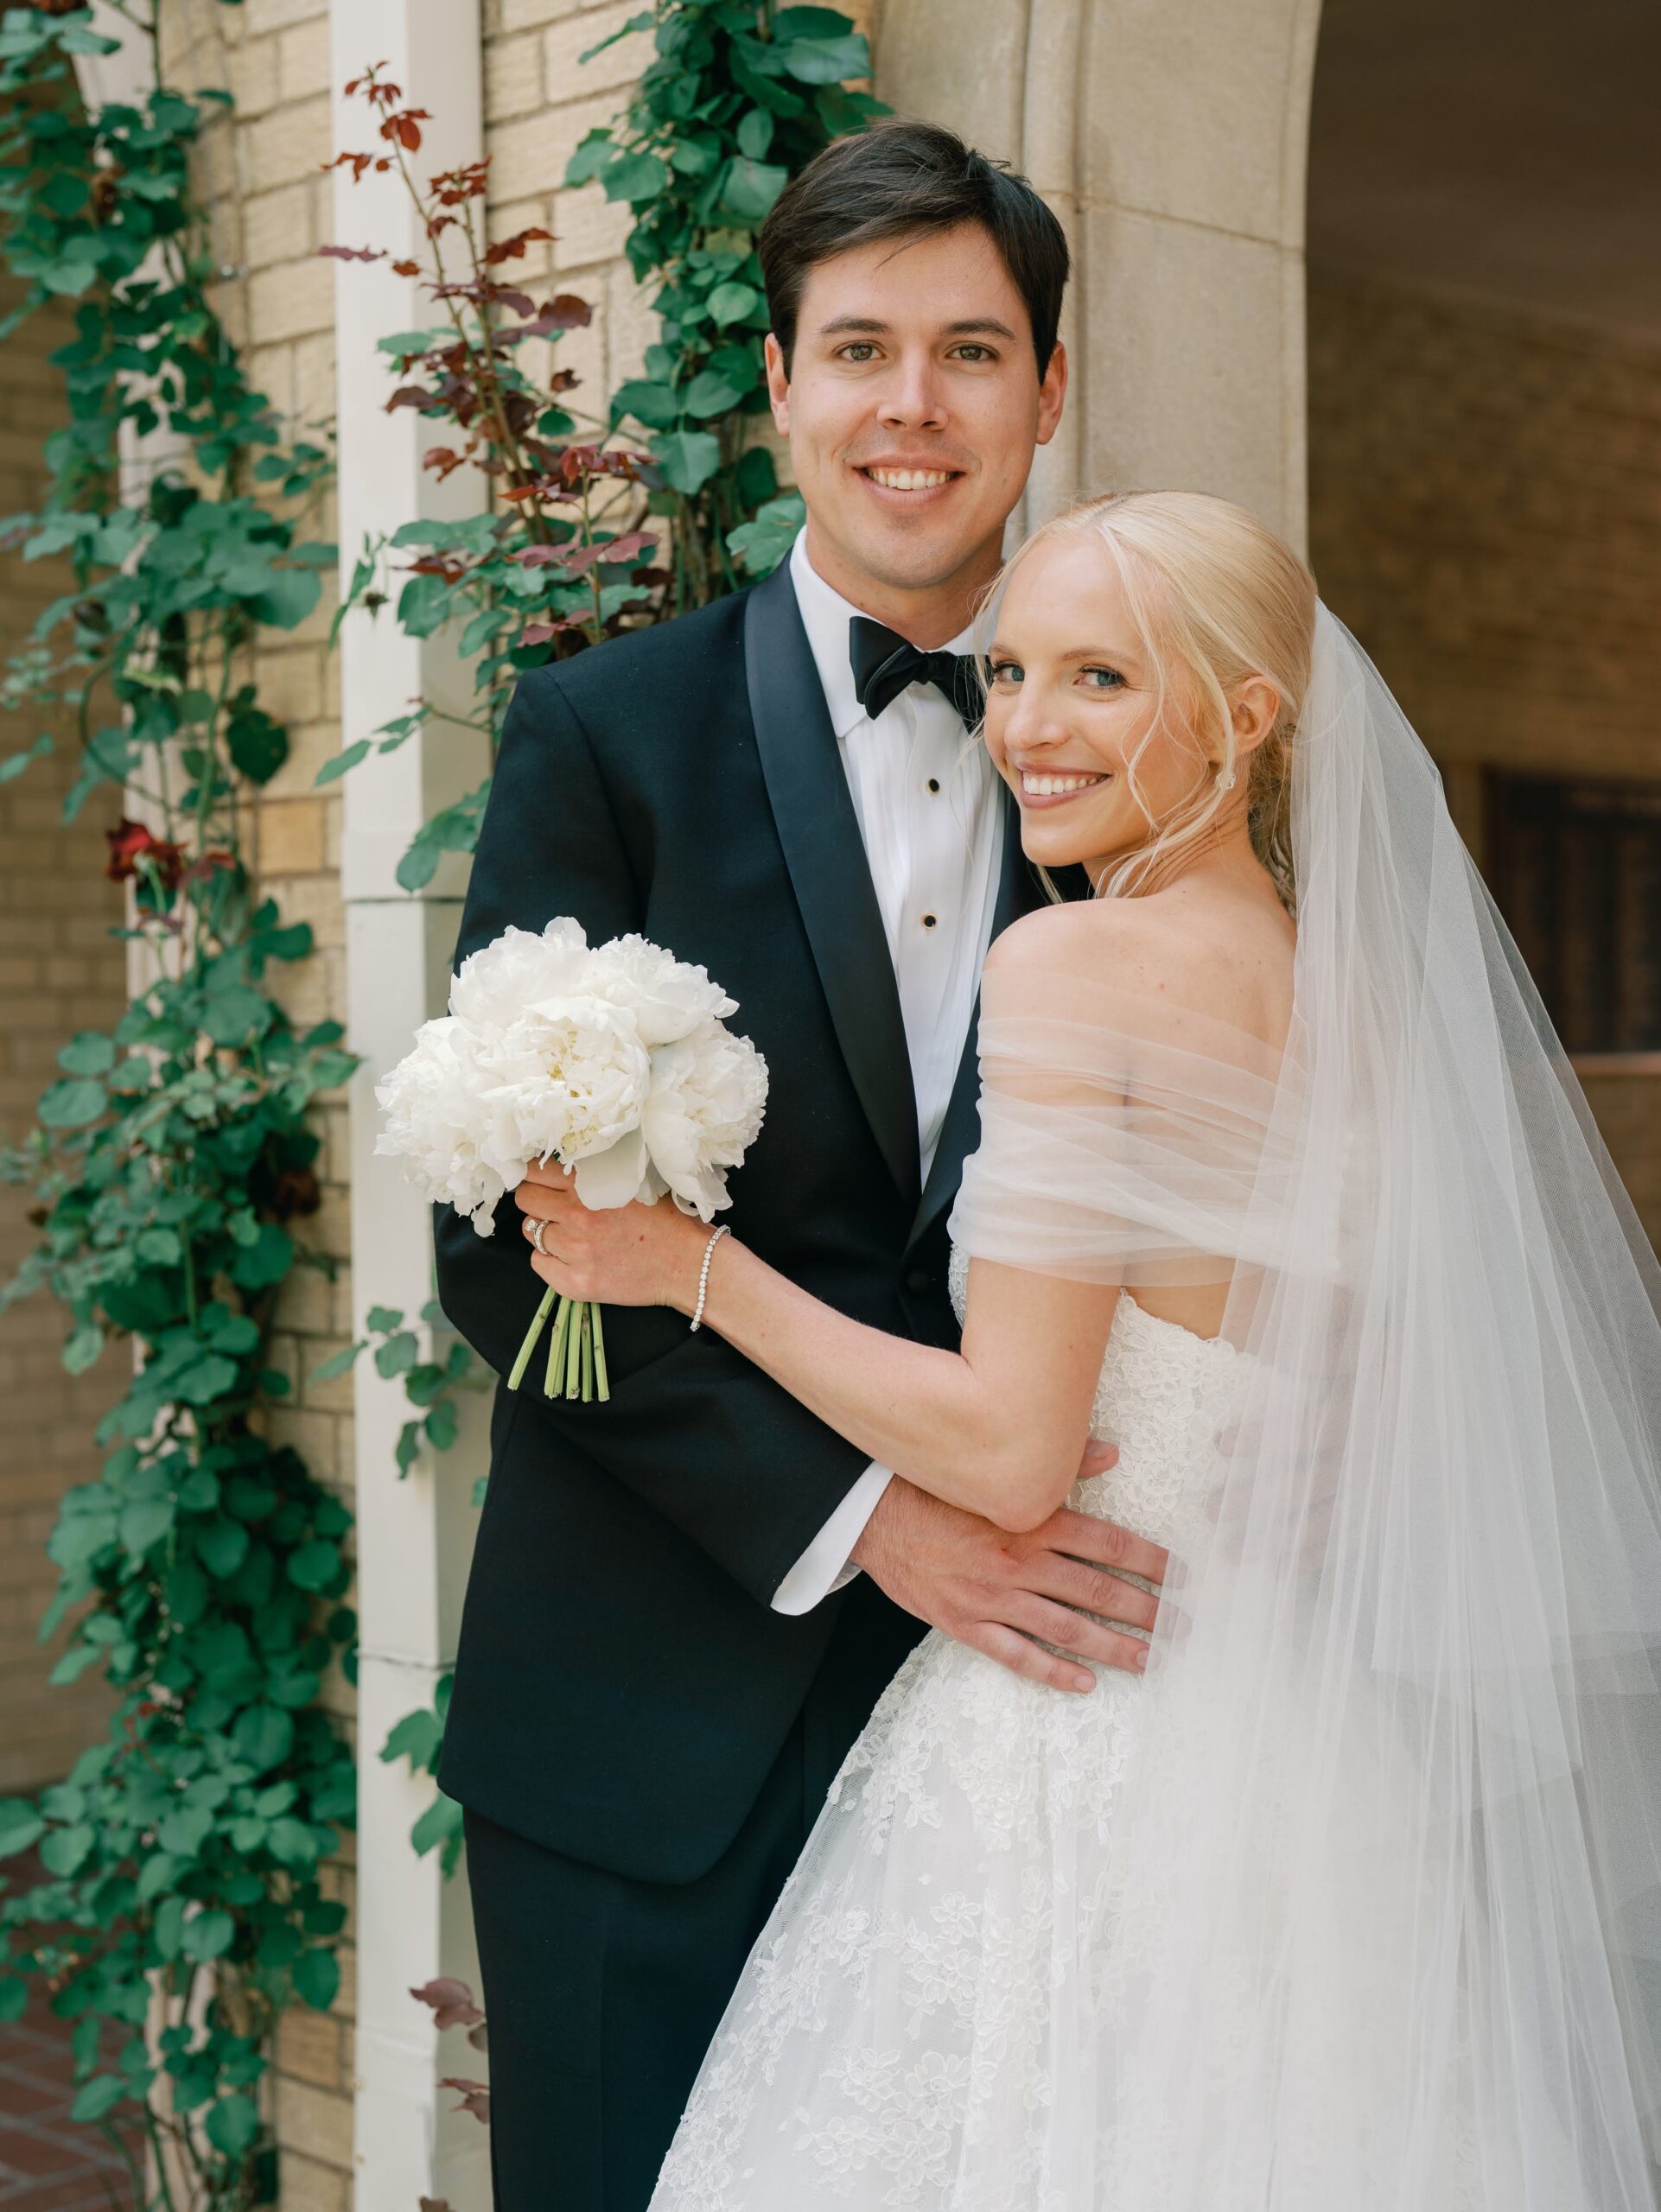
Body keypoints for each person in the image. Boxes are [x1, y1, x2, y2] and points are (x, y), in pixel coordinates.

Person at [524, 492, 1661, 2208]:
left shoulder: (1073, 963)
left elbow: (1008, 1452)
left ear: (1244, 716)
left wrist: (693, 1269)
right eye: (1010, 672)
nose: (1027, 729)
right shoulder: (1359, 995)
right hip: (1312, 1751)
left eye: (1100, 678)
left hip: (1092, 1714)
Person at [434, 122, 1167, 2212]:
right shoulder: (600, 735)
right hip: (646, 1723)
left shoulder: (1151, 765)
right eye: (858, 349)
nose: (910, 405)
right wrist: (877, 1522)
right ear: (778, 386)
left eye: (969, 350)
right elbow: (505, 1246)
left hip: (1033, 1737)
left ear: (1046, 389)